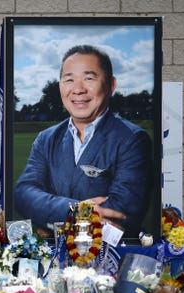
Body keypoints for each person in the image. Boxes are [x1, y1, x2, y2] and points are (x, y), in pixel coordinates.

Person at [14, 44, 153, 238]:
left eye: (89, 78)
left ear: (111, 85)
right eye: (69, 79)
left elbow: (121, 214)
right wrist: (74, 212)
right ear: (60, 85)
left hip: (111, 259)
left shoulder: (132, 140)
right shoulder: (46, 139)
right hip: (56, 258)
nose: (78, 90)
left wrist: (50, 222)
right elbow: (23, 194)